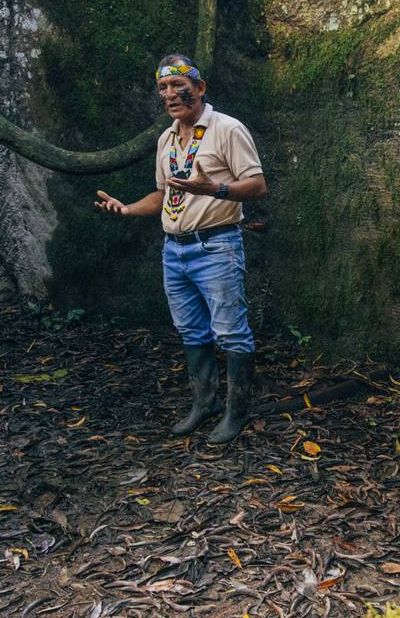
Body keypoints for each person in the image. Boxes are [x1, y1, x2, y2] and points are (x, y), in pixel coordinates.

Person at [93, 54, 268, 444]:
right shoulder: (166, 139)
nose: (170, 94)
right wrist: (126, 209)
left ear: (200, 87)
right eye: (163, 88)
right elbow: (161, 194)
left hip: (216, 246)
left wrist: (215, 189)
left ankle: (235, 413)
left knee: (230, 332)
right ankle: (204, 403)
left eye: (178, 85)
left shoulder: (227, 129)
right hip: (175, 250)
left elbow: (257, 186)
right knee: (191, 329)